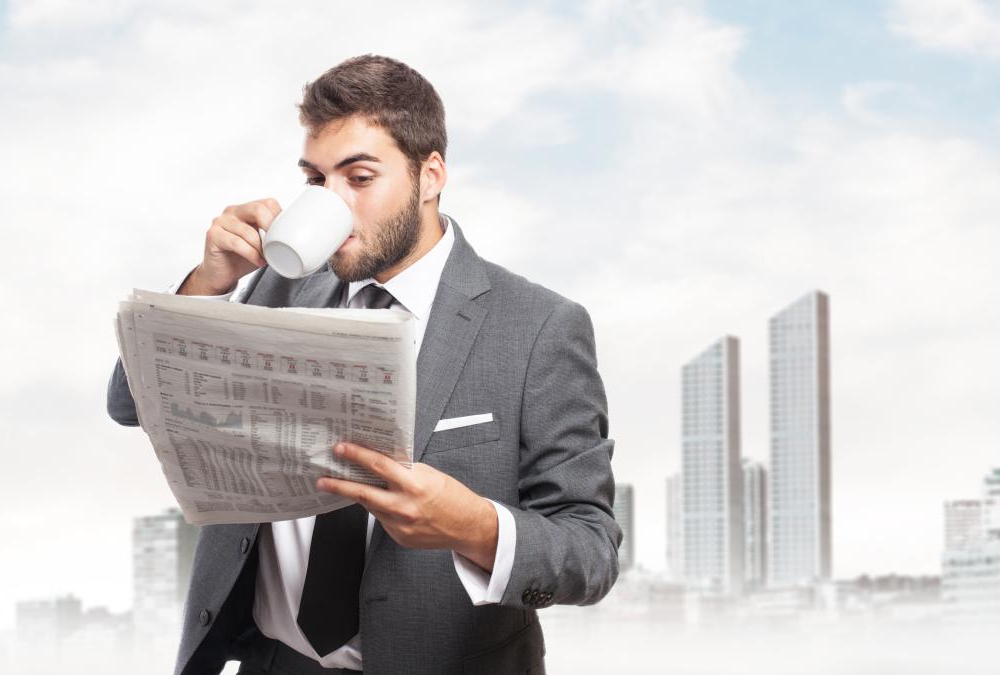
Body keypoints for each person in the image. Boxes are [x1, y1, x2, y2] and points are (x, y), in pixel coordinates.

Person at [105, 54, 620, 675]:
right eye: (317, 181)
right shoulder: (280, 285)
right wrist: (205, 286)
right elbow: (131, 405)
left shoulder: (538, 327)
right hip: (271, 660)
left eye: (360, 177)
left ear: (430, 175)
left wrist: (474, 526)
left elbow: (590, 550)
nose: (334, 203)